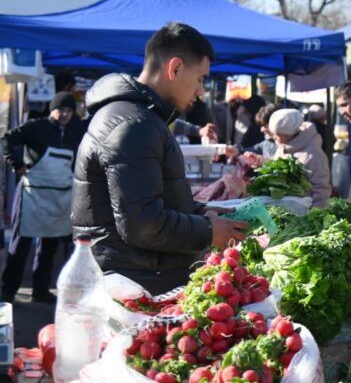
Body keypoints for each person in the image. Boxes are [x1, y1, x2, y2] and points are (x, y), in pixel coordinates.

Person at [71, 22, 248, 295]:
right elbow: (142, 224)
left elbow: (154, 199)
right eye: (200, 78)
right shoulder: (133, 124)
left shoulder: (141, 118)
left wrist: (202, 214)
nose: (201, 91)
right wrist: (209, 231)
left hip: (141, 277)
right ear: (175, 67)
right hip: (136, 286)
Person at [0, 93, 86, 303]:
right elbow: (5, 140)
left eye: (69, 110)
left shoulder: (76, 131)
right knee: (21, 245)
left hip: (60, 196)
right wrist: (17, 164)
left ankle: (40, 290)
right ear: (52, 109)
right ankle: (8, 291)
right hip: (33, 193)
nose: (65, 114)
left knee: (49, 246)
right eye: (61, 110)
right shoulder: (36, 127)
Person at [269, 109, 332, 208]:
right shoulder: (283, 147)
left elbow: (321, 189)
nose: (273, 137)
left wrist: (316, 214)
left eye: (277, 134)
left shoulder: (314, 154)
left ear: (287, 134)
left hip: (304, 214)